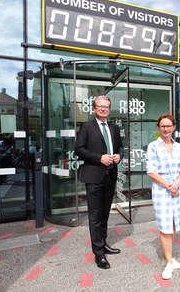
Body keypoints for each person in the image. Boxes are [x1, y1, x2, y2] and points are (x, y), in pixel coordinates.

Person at [75, 95, 123, 270]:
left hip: (110, 176)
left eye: (106, 107)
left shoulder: (114, 127)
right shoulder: (87, 127)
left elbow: (120, 147)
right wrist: (99, 158)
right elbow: (78, 149)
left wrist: (119, 156)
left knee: (104, 214)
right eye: (100, 106)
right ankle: (99, 253)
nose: (103, 109)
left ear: (109, 109)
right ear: (94, 108)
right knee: (95, 216)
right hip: (94, 176)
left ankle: (103, 243)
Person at [146, 114, 180, 280]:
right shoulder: (153, 146)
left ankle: (167, 257)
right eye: (162, 126)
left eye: (169, 126)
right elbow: (151, 171)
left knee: (174, 223)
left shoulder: (178, 147)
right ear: (158, 128)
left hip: (177, 190)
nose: (166, 129)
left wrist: (176, 184)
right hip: (162, 191)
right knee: (164, 226)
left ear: (174, 127)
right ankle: (169, 262)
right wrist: (168, 185)